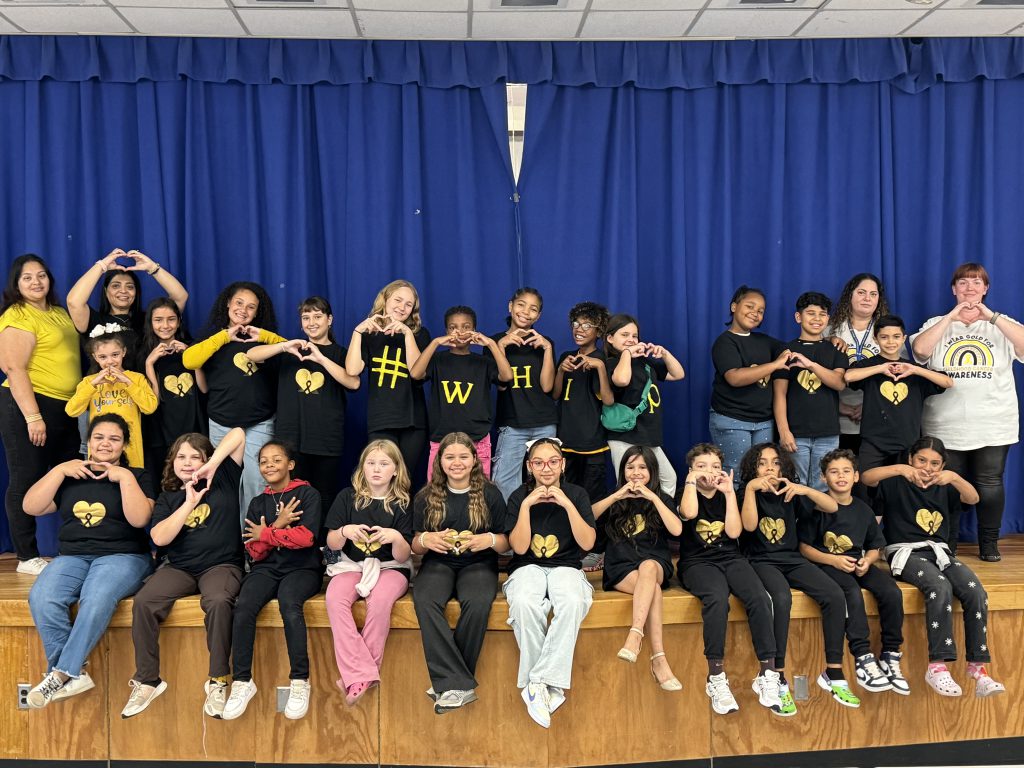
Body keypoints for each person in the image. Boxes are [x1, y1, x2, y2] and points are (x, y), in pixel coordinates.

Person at [23, 413, 154, 707]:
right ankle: (73, 673)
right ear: (88, 442)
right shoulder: (71, 476)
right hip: (73, 555)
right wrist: (58, 471)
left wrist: (125, 478)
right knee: (42, 597)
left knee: (96, 598)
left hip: (124, 555)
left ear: (124, 445)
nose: (105, 444)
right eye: (99, 437)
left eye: (114, 439)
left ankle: (60, 673)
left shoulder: (140, 475)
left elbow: (140, 519)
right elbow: (31, 506)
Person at [862, 437, 1005, 697]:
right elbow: (866, 478)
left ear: (943, 466)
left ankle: (978, 667)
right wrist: (899, 469)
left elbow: (973, 498)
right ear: (910, 459)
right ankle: (937, 666)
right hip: (904, 552)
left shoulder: (945, 484)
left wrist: (953, 477)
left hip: (939, 552)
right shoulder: (895, 480)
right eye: (921, 460)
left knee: (975, 591)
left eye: (935, 463)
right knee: (938, 586)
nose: (928, 467)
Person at [121, 428, 245, 719]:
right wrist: (189, 502)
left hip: (222, 565)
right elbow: (160, 538)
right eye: (181, 457)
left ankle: (217, 680)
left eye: (195, 456)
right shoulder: (169, 496)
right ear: (172, 463)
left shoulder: (225, 477)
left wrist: (213, 464)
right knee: (144, 601)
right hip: (181, 567)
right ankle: (148, 680)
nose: (188, 462)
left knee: (217, 601)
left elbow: (238, 434)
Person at [910, 263, 1024, 561]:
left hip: (993, 420)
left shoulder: (1001, 324)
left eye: (977, 283)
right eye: (963, 283)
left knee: (990, 483)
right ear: (954, 289)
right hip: (945, 422)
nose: (970, 288)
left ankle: (989, 543)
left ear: (986, 289)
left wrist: (992, 317)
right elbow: (920, 352)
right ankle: (947, 544)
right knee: (946, 483)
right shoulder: (937, 322)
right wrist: (951, 317)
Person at [739, 443, 859, 709]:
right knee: (781, 599)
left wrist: (803, 488)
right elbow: (747, 526)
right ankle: (777, 675)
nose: (769, 467)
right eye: (762, 463)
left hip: (792, 559)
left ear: (784, 466)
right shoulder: (746, 492)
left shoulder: (790, 492)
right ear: (753, 468)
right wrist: (749, 489)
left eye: (775, 462)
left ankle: (833, 672)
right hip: (760, 560)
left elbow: (831, 507)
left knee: (834, 595)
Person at [678, 443, 783, 716]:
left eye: (715, 466)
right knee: (716, 599)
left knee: (760, 598)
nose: (709, 472)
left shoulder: (728, 494)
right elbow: (688, 514)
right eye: (701, 466)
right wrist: (691, 481)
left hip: (730, 557)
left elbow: (735, 532)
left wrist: (727, 494)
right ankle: (715, 677)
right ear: (690, 470)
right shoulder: (686, 492)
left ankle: (767, 672)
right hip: (697, 561)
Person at [222, 440, 323, 721]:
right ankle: (242, 682)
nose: (269, 466)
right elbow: (253, 550)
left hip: (302, 569)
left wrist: (266, 534)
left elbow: (306, 538)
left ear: (290, 464)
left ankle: (299, 681)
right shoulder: (258, 503)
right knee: (243, 607)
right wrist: (278, 526)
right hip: (267, 568)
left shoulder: (308, 494)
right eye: (264, 461)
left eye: (276, 460)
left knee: (290, 604)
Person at [798, 449, 908, 696]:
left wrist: (867, 561)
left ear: (856, 477)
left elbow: (874, 546)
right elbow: (803, 547)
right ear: (823, 478)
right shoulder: (816, 507)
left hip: (856, 563)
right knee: (850, 592)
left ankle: (890, 654)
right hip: (825, 565)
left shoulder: (863, 509)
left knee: (891, 591)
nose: (841, 476)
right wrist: (832, 561)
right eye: (834, 472)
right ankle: (862, 656)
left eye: (846, 471)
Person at [411, 432, 508, 713]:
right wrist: (426, 540)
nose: (457, 463)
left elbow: (505, 542)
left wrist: (487, 540)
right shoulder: (426, 495)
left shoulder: (490, 493)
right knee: (425, 600)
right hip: (438, 563)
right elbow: (415, 546)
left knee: (477, 603)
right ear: (440, 461)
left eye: (463, 456)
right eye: (450, 457)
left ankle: (449, 682)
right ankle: (457, 683)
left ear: (474, 460)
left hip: (479, 563)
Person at [504, 437, 596, 729]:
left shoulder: (577, 494)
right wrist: (527, 507)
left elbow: (587, 543)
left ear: (562, 464)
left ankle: (536, 682)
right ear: (530, 466)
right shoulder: (520, 496)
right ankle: (547, 685)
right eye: (539, 462)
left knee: (573, 600)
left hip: (565, 566)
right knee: (524, 603)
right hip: (527, 566)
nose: (546, 469)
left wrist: (567, 505)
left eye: (553, 462)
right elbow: (518, 548)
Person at [0, 254, 81, 574]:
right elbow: (13, 366)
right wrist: (33, 417)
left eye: (41, 276)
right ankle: (26, 555)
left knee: (72, 474)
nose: (36, 282)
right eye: (27, 278)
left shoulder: (60, 314)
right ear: (16, 285)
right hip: (29, 405)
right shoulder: (17, 315)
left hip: (67, 408)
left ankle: (73, 546)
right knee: (26, 478)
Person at [183, 282, 285, 520]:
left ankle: (251, 541)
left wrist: (264, 335)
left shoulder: (262, 339)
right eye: (239, 303)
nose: (243, 310)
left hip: (259, 422)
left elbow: (290, 348)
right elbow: (189, 360)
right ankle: (226, 540)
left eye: (251, 307)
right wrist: (224, 336)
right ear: (228, 303)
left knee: (256, 480)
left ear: (257, 312)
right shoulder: (213, 340)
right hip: (222, 422)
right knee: (221, 480)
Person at [324, 440, 412, 706]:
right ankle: (362, 672)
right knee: (334, 597)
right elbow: (332, 543)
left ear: (395, 470)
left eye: (384, 464)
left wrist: (395, 537)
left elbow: (404, 555)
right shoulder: (347, 497)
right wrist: (343, 532)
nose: (376, 469)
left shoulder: (403, 503)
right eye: (371, 463)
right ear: (362, 467)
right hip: (353, 564)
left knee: (380, 601)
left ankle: (359, 674)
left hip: (390, 568)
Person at [247, 296, 359, 505]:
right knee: (290, 497)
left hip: (326, 440)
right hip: (290, 440)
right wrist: (283, 346)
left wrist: (321, 358)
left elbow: (353, 383)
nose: (312, 322)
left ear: (330, 319)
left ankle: (320, 538)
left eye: (318, 316)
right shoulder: (290, 351)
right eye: (306, 318)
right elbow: (251, 355)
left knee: (324, 496)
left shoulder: (339, 353)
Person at [591, 447, 682, 692]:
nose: (636, 473)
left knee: (649, 567)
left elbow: (676, 530)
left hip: (656, 564)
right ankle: (659, 658)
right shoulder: (615, 497)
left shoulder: (661, 498)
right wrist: (616, 497)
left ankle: (635, 635)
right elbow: (587, 517)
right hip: (622, 568)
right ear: (622, 472)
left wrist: (653, 498)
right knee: (651, 588)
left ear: (652, 472)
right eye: (630, 467)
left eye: (642, 467)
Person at [410, 305, 512, 477]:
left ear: (474, 330)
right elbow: (415, 373)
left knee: (479, 493)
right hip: (442, 439)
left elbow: (507, 376)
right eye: (453, 327)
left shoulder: (483, 362)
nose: (460, 331)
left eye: (466, 326)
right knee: (436, 493)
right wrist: (435, 343)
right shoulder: (437, 360)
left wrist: (491, 344)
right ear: (446, 331)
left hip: (477, 439)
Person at [345, 280, 430, 479]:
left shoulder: (419, 334)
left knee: (405, 480)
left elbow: (417, 372)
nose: (402, 307)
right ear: (385, 299)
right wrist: (358, 332)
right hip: (381, 419)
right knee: (381, 479)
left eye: (408, 304)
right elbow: (352, 369)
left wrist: (407, 333)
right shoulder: (369, 334)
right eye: (398, 300)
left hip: (413, 421)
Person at [845, 315, 952, 472]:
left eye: (896, 337)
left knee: (902, 490)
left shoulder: (913, 369)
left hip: (908, 443)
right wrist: (881, 368)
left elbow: (947, 382)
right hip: (873, 441)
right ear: (875, 339)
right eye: (884, 337)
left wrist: (915, 369)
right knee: (866, 485)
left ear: (904, 338)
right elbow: (848, 376)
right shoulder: (868, 365)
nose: (890, 342)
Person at [772, 292, 848, 491]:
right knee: (794, 486)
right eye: (810, 313)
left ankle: (819, 524)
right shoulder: (785, 351)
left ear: (828, 319)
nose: (817, 319)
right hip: (796, 433)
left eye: (822, 314)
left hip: (828, 433)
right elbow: (779, 394)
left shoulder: (835, 350)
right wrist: (784, 431)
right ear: (799, 317)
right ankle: (797, 523)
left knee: (823, 486)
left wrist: (810, 365)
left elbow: (839, 383)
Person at [710, 286, 787, 479]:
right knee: (737, 474)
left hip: (763, 422)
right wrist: (775, 365)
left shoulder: (766, 342)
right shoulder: (725, 342)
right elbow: (735, 378)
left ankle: (759, 511)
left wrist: (831, 339)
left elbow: (795, 348)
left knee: (763, 475)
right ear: (734, 306)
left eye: (760, 311)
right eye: (750, 306)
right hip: (732, 419)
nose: (755, 313)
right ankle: (734, 509)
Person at [604, 314, 685, 497]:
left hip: (648, 435)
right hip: (624, 435)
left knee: (668, 478)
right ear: (610, 338)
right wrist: (627, 354)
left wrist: (664, 353)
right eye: (624, 335)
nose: (631, 340)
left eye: (634, 336)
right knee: (628, 485)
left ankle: (659, 518)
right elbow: (622, 380)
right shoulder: (610, 363)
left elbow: (677, 374)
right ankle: (628, 523)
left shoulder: (645, 363)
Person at [65, 248, 188, 367]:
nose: (123, 291)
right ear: (105, 291)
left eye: (130, 287)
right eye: (116, 286)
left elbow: (180, 297)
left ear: (136, 292)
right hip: (103, 386)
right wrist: (101, 266)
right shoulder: (94, 320)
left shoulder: (148, 319)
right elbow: (73, 302)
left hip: (142, 386)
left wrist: (152, 268)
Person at [490, 288, 558, 501]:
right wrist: (500, 346)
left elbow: (548, 387)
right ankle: (511, 529)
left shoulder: (544, 343)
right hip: (512, 423)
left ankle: (544, 527)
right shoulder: (494, 343)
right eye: (521, 305)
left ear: (538, 316)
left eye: (533, 309)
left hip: (544, 421)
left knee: (547, 479)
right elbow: (502, 383)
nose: (525, 312)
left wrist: (547, 349)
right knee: (504, 481)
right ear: (510, 306)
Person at [139, 297, 208, 497]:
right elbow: (153, 401)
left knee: (197, 485)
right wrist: (150, 365)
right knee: (165, 486)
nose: (165, 325)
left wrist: (191, 357)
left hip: (193, 428)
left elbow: (204, 389)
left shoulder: (192, 347)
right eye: (158, 320)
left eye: (171, 319)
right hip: (161, 432)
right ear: (150, 323)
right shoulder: (144, 354)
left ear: (178, 321)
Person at [65, 327, 158, 469]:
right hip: (100, 454)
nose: (110, 361)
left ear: (124, 352)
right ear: (95, 357)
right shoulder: (88, 382)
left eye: (115, 355)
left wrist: (127, 382)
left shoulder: (136, 379)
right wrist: (93, 384)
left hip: (131, 452)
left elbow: (150, 407)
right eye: (103, 357)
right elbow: (72, 411)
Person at [552, 301, 613, 503]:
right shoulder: (566, 357)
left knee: (591, 498)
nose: (579, 329)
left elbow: (608, 400)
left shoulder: (602, 359)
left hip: (592, 442)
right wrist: (561, 370)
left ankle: (593, 534)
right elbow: (555, 395)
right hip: (567, 441)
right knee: (566, 495)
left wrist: (600, 368)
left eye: (587, 325)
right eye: (576, 324)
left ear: (599, 331)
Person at [826, 273, 890, 454]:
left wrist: (869, 407)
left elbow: (898, 374)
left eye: (873, 294)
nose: (867, 298)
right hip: (834, 420)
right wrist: (840, 407)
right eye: (861, 292)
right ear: (850, 296)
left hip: (877, 419)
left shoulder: (888, 332)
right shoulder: (829, 330)